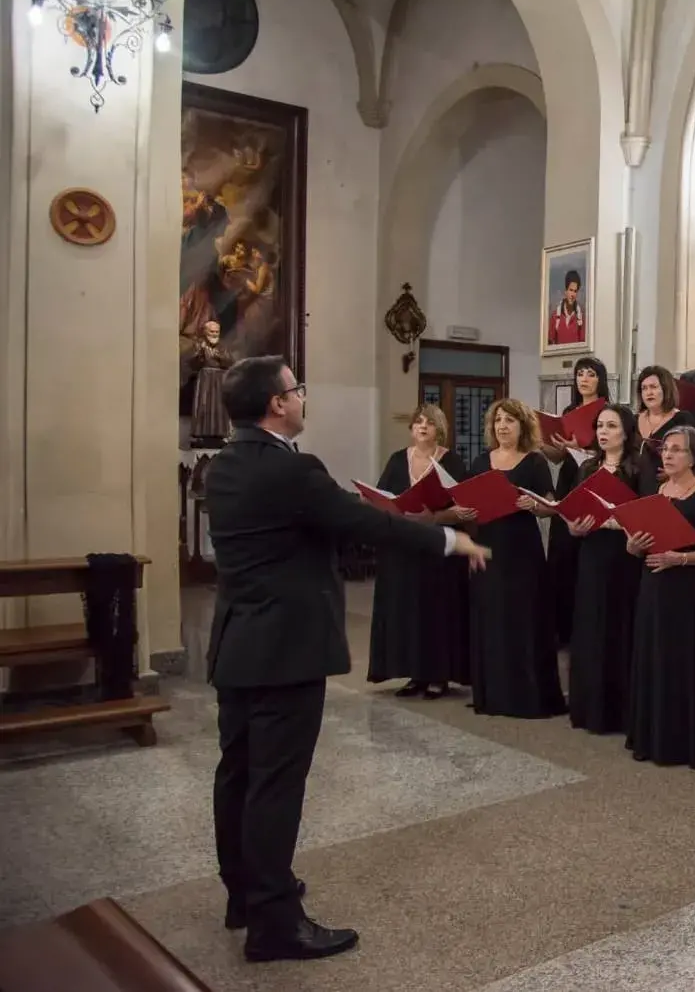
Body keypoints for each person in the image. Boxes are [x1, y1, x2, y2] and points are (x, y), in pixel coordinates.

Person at [206, 356, 490, 961]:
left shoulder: (224, 465)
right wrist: (447, 538)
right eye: (296, 390)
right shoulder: (291, 469)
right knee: (275, 786)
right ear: (277, 404)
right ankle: (275, 923)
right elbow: (364, 522)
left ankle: (244, 894)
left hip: (238, 645)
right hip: (286, 649)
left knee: (238, 774)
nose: (303, 398)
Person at [626, 426, 695, 768]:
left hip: (687, 591)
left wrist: (680, 558)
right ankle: (653, 737)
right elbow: (640, 541)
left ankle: (684, 743)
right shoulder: (660, 490)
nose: (668, 455)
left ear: (694, 458)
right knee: (653, 657)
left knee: (681, 661)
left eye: (677, 450)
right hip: (653, 584)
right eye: (665, 449)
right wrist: (633, 545)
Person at [366, 404, 472, 700]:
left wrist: (435, 517)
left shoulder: (451, 461)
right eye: (418, 422)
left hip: (439, 546)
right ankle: (414, 672)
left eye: (430, 423)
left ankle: (439, 675)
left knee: (436, 611)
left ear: (440, 429)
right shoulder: (398, 459)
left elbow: (464, 509)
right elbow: (382, 496)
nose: (423, 427)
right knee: (407, 610)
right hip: (404, 546)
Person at [469, 399, 568, 719]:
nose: (502, 426)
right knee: (492, 619)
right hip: (487, 543)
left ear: (522, 426)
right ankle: (492, 695)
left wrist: (534, 505)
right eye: (498, 420)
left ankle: (526, 696)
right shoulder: (482, 461)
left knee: (522, 620)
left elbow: (551, 506)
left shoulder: (534, 461)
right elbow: (469, 499)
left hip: (521, 549)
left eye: (510, 421)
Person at [565, 404, 646, 735]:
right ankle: (590, 707)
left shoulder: (639, 468)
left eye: (611, 426)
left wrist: (617, 522)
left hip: (624, 555)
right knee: (592, 624)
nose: (603, 431)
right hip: (593, 553)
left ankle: (620, 710)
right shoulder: (587, 468)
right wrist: (577, 526)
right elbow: (571, 519)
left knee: (620, 625)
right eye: (600, 425)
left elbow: (646, 514)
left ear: (625, 432)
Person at [540, 357, 610, 648]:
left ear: (600, 380)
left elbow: (607, 450)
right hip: (569, 478)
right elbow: (558, 457)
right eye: (580, 374)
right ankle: (561, 628)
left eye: (590, 374)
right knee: (561, 551)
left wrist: (581, 447)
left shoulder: (608, 412)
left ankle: (585, 626)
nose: (584, 379)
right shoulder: (569, 411)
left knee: (586, 551)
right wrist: (547, 444)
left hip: (593, 476)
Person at [635, 365, 695, 482]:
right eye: (644, 388)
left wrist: (676, 470)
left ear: (665, 389)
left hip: (670, 485)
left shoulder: (682, 420)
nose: (649, 392)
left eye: (653, 387)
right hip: (634, 484)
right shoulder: (634, 419)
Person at [547, 271, 586, 346]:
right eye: (571, 290)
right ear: (565, 291)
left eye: (575, 291)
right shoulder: (555, 317)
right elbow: (549, 344)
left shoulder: (581, 319)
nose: (572, 295)